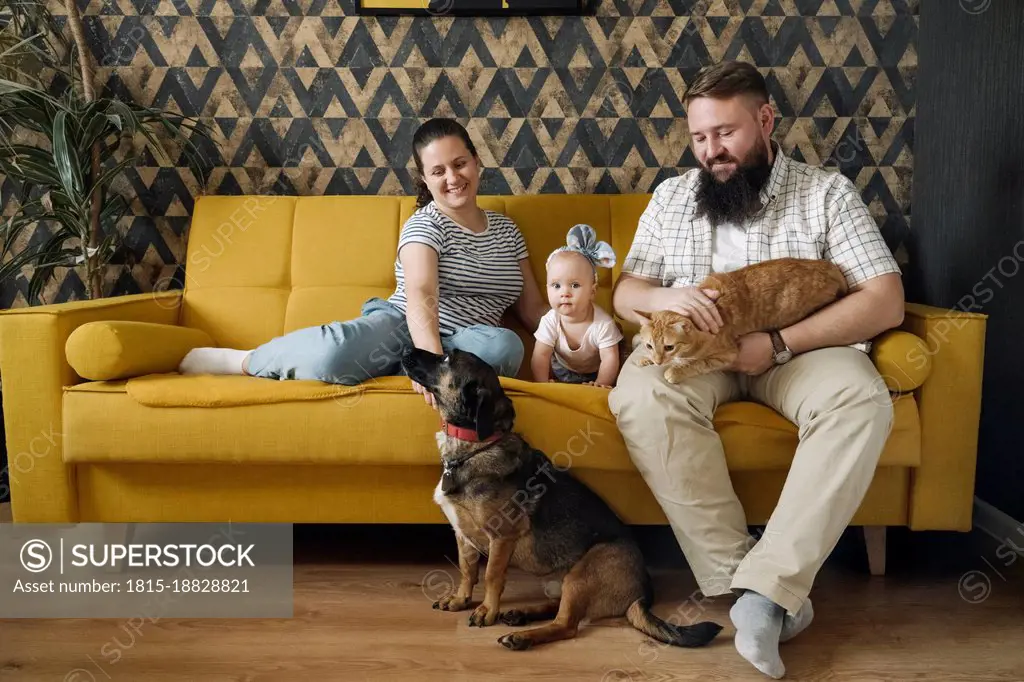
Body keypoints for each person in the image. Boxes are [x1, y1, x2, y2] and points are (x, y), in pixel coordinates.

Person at [607, 61, 904, 679]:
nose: (711, 151)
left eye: (726, 133)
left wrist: (777, 343)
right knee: (640, 395)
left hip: (798, 352)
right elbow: (626, 289)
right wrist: (662, 300)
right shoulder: (671, 197)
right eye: (699, 138)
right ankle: (751, 589)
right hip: (692, 352)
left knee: (861, 399)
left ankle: (770, 592)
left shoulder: (828, 193)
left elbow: (884, 300)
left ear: (766, 120)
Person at [179, 118, 549, 406]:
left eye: (460, 163)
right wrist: (433, 366)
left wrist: (587, 345)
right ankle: (245, 360)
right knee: (332, 355)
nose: (453, 178)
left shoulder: (506, 230)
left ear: (476, 162)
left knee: (505, 348)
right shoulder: (425, 224)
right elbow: (421, 295)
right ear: (425, 178)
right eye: (438, 171)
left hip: (469, 345)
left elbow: (533, 309)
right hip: (403, 328)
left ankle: (407, 369)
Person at [531, 224, 622, 387]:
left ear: (592, 291)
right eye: (556, 286)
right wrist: (542, 385)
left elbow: (610, 359)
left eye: (574, 285)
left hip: (597, 371)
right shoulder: (550, 320)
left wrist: (601, 384)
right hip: (562, 369)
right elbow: (540, 356)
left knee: (617, 358)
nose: (564, 293)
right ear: (547, 289)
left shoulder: (603, 323)